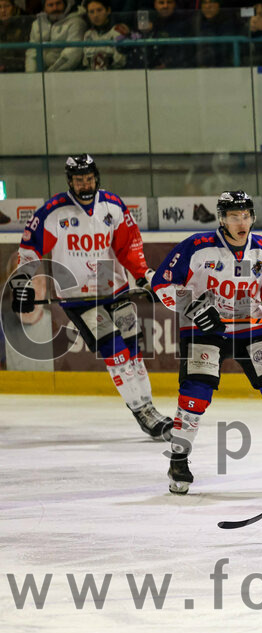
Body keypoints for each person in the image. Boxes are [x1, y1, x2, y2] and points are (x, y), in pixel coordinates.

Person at [151, 190, 262, 495]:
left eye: (245, 215)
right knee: (195, 396)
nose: (240, 222)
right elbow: (162, 284)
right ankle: (178, 460)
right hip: (204, 330)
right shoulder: (197, 247)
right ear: (221, 218)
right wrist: (194, 307)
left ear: (252, 217)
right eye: (233, 216)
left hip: (252, 330)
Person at [9, 154, 172, 438]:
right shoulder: (53, 212)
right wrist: (23, 283)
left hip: (115, 290)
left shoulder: (113, 206)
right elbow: (29, 250)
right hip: (78, 297)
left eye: (89, 178)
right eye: (78, 179)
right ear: (69, 181)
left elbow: (129, 248)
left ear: (96, 177)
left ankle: (150, 407)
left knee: (133, 352)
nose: (85, 184)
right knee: (116, 353)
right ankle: (142, 413)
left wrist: (145, 275)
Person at [25, 0, 86, 72]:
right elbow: (32, 52)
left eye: (58, 3)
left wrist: (51, 72)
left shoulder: (76, 22)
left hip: (67, 73)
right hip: (41, 75)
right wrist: (31, 75)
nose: (55, 8)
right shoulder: (37, 24)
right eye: (50, 5)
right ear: (44, 8)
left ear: (66, 5)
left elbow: (72, 53)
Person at [82, 0, 128, 70]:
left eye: (99, 10)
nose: (95, 15)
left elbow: (120, 63)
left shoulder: (118, 31)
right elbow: (86, 64)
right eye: (91, 12)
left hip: (116, 76)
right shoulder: (88, 34)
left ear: (108, 10)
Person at [0, 0, 30, 73]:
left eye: (7, 6)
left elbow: (26, 56)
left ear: (14, 8)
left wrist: (5, 65)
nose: (3, 10)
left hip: (18, 71)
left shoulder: (24, 26)